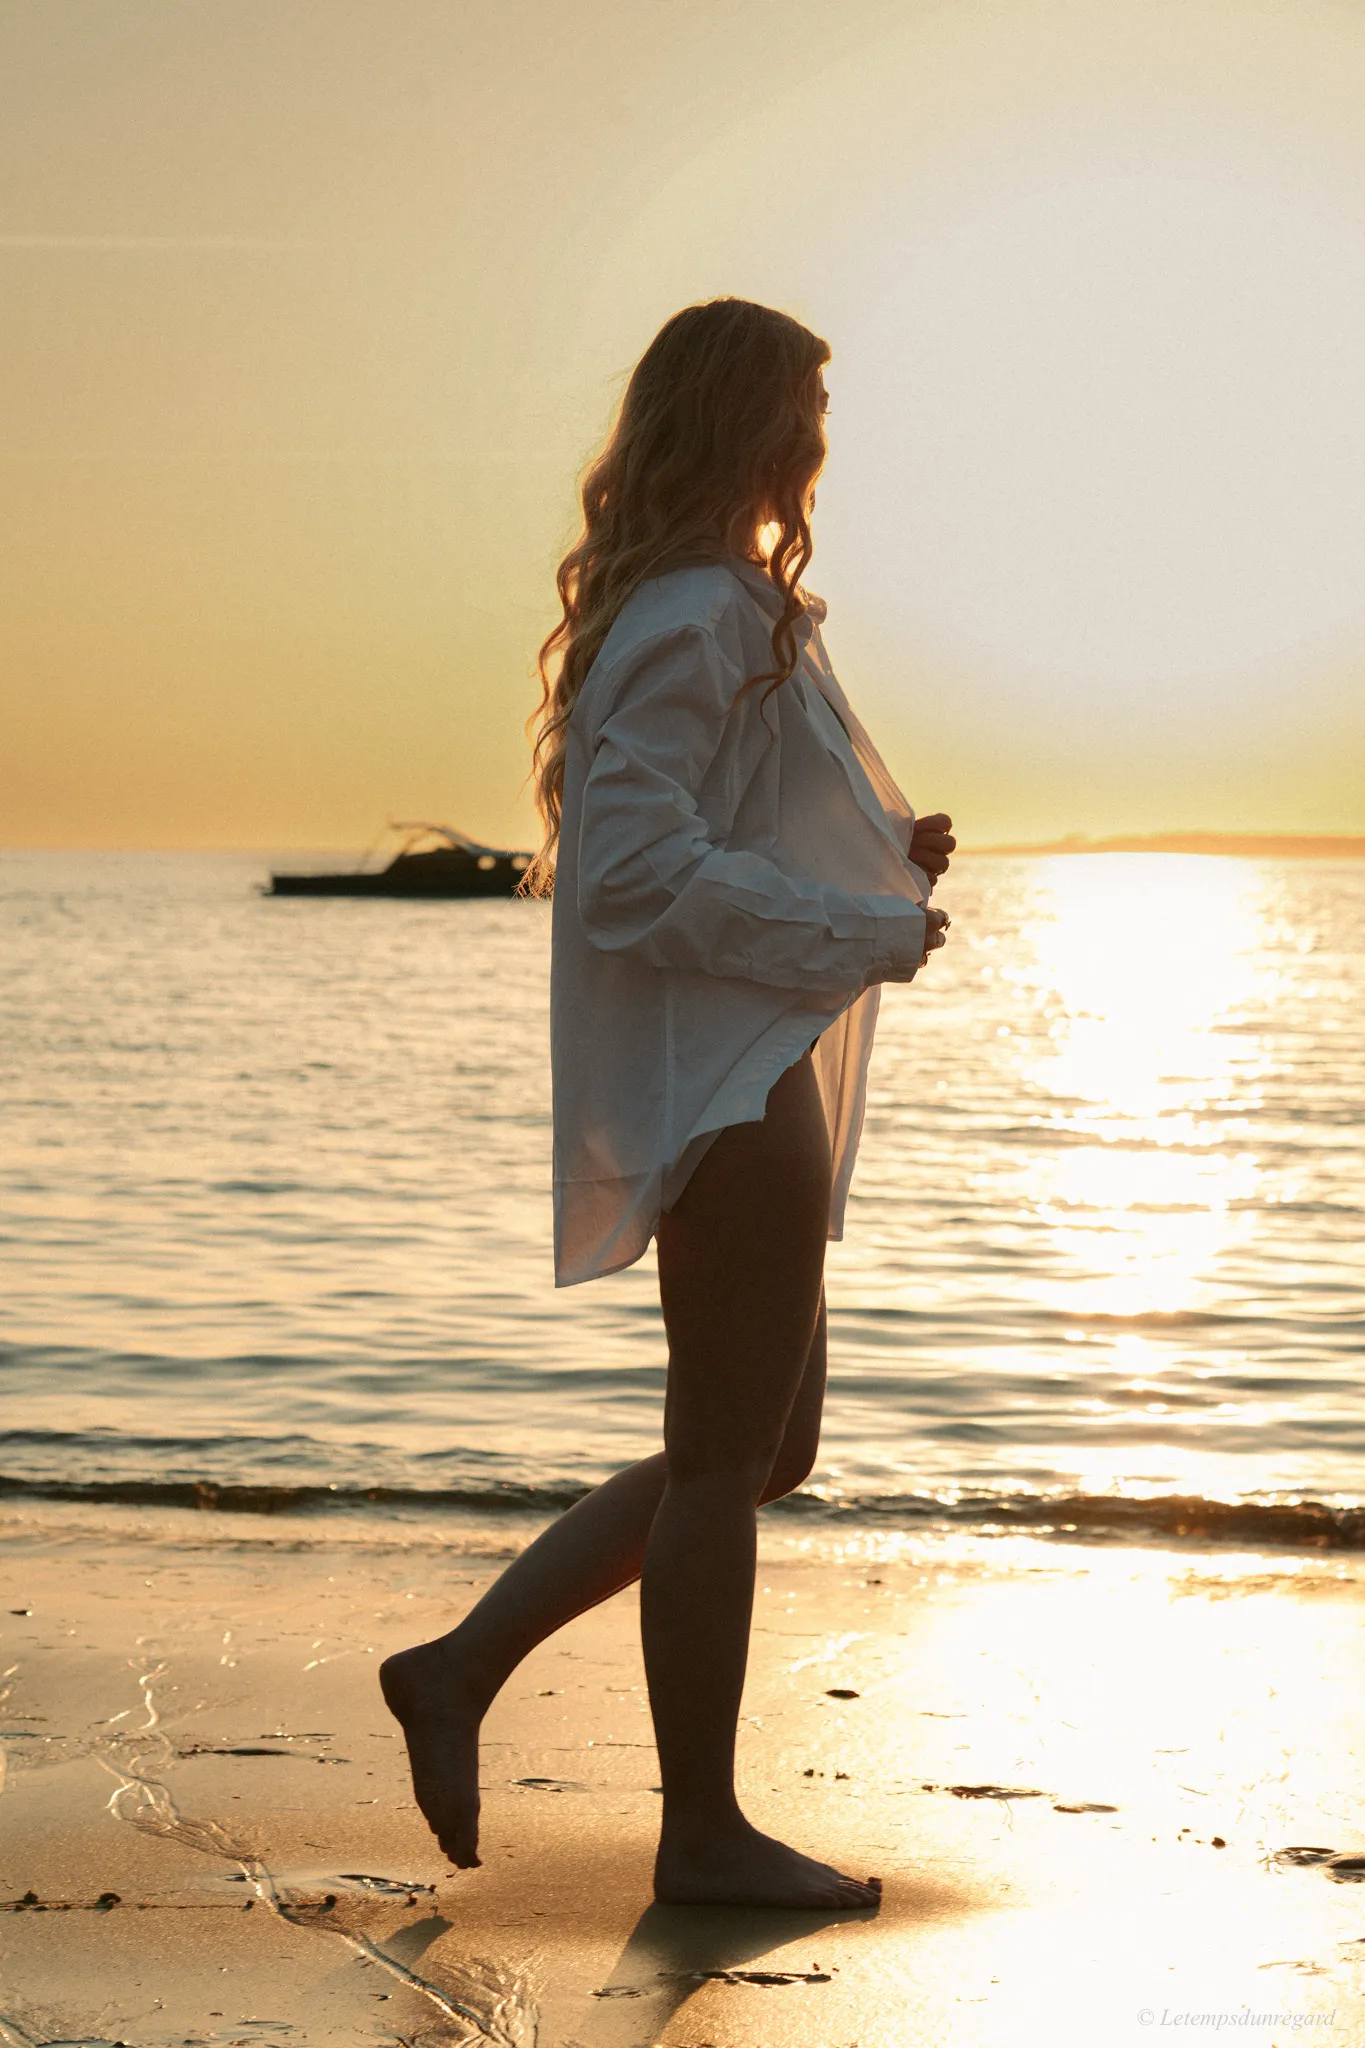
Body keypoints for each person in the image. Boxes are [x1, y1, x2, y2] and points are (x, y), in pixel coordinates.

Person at [381, 297, 953, 1910]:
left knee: (764, 1450)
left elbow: (714, 828)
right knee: (721, 1461)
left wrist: (872, 863)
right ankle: (698, 1831)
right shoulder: (698, 613)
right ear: (747, 417)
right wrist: (860, 928)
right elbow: (634, 876)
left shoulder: (731, 606)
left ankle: (462, 1665)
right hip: (726, 1082)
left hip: (749, 1065)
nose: (820, 433)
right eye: (804, 401)